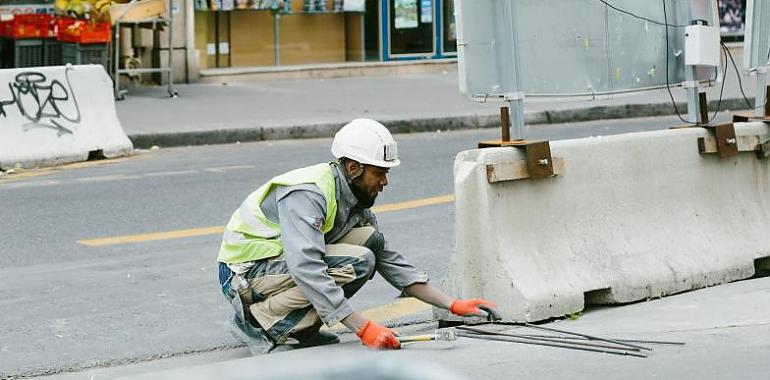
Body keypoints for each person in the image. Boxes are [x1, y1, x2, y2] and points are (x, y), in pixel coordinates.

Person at [216, 118, 495, 354]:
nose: (385, 182)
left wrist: (452, 304)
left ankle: (301, 329)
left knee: (369, 242)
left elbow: (388, 259)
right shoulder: (308, 194)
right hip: (245, 275)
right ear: (353, 168)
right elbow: (307, 267)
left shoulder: (352, 198)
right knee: (357, 261)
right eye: (379, 173)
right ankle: (258, 323)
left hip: (274, 268)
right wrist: (363, 327)